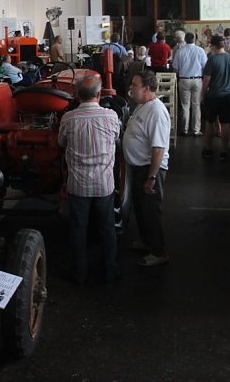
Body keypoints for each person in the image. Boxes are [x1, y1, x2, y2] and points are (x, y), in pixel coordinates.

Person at [58, 75, 121, 284]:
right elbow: (116, 139)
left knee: (78, 230)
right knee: (106, 229)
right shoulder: (111, 117)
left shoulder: (68, 119)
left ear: (76, 95)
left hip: (78, 185)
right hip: (104, 184)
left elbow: (61, 142)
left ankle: (79, 273)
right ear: (99, 94)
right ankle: (109, 271)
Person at [123, 71, 171, 267]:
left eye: (135, 85)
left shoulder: (157, 112)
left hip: (150, 169)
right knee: (141, 209)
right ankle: (146, 242)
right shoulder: (143, 106)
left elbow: (158, 148)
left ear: (147, 88)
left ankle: (159, 252)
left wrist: (151, 176)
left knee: (150, 211)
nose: (131, 89)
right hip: (139, 167)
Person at [201, 35, 230, 161]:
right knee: (225, 124)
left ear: (213, 46)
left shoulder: (212, 60)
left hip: (213, 96)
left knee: (209, 123)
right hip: (228, 96)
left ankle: (208, 149)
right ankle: (224, 151)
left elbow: (206, 80)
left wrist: (203, 94)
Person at [173, 32, 208, 136]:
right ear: (195, 39)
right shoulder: (200, 50)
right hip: (197, 80)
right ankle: (196, 130)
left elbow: (175, 69)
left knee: (185, 106)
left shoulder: (180, 51)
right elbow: (205, 66)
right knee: (196, 106)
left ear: (185, 39)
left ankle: (184, 129)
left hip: (184, 80)